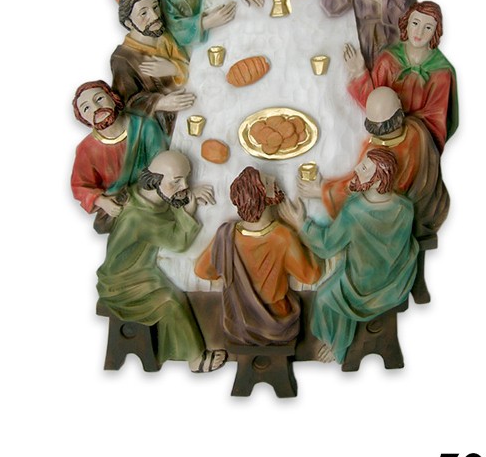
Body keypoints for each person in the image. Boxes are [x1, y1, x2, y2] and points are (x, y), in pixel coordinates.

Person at [282, 149, 417, 363]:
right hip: (398, 279)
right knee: (336, 277)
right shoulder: (405, 207)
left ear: (377, 179)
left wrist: (301, 224)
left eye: (364, 168)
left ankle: (337, 346)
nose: (356, 169)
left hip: (366, 286)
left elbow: (326, 246)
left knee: (325, 298)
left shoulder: (355, 211)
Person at [96, 150, 226, 372]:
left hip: (140, 270)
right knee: (171, 301)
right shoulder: (139, 218)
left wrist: (184, 195)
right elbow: (179, 242)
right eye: (177, 181)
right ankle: (194, 358)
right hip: (124, 282)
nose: (185, 185)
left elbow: (166, 206)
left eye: (186, 179)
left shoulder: (143, 194)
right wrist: (188, 212)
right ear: (155, 181)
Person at [299, 86, 448, 243]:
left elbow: (363, 189)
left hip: (397, 223)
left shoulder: (386, 156)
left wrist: (324, 192)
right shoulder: (416, 129)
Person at [194, 167, 323, 348]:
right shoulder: (282, 237)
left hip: (237, 324)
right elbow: (311, 276)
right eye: (268, 182)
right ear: (262, 195)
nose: (273, 178)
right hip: (277, 324)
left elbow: (202, 271)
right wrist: (302, 230)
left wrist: (229, 273)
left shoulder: (226, 234)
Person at [344, 0, 459, 151]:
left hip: (416, 145)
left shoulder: (440, 72)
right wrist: (360, 73)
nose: (419, 33)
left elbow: (436, 123)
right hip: (383, 138)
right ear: (407, 23)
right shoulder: (388, 60)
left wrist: (400, 127)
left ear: (435, 32)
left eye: (428, 27)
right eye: (415, 23)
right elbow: (375, 106)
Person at [70, 81, 168, 233]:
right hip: (117, 205)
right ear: (83, 119)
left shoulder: (145, 127)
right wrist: (102, 201)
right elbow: (80, 185)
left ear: (113, 97)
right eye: (86, 108)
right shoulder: (86, 149)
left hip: (151, 197)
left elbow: (162, 167)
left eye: (99, 98)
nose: (96, 108)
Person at [110, 0, 195, 136]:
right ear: (129, 23)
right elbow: (126, 103)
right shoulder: (122, 59)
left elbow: (190, 66)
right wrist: (159, 103)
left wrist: (174, 68)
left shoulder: (164, 38)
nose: (154, 16)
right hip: (164, 126)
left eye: (155, 7)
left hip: (192, 102)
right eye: (144, 13)